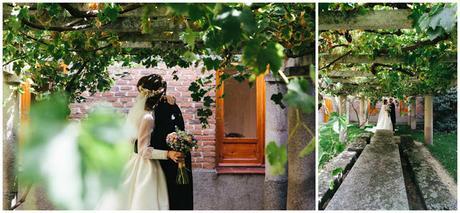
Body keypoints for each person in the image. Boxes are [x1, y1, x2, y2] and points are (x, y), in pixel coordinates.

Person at [96, 74, 183, 210]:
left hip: (131, 160)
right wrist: (168, 154)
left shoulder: (139, 111)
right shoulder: (147, 117)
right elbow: (143, 151)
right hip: (145, 167)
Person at [148, 74, 194, 210]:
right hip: (163, 158)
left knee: (178, 197)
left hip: (175, 157)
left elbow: (180, 128)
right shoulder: (150, 110)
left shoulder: (168, 104)